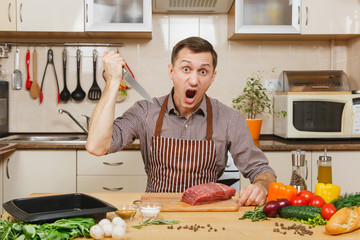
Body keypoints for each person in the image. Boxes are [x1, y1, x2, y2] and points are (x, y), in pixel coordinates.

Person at [86, 36, 276, 206]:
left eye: (203, 72)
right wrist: (112, 81)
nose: (193, 80)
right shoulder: (144, 111)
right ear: (171, 72)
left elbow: (262, 170)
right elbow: (96, 146)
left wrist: (261, 186)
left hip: (207, 215)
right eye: (186, 69)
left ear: (212, 77)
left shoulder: (229, 119)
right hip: (155, 213)